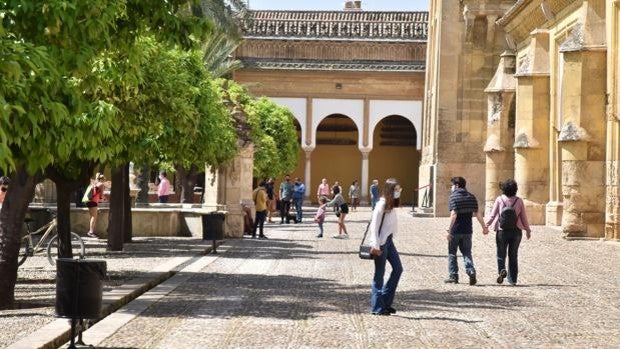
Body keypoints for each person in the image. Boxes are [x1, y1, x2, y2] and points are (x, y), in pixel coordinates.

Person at [486, 179, 532, 286]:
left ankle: (502, 270)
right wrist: (528, 230)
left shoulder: (499, 199)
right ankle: (513, 279)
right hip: (516, 231)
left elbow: (493, 215)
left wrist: (486, 225)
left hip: (502, 230)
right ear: (515, 189)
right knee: (513, 255)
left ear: (504, 189)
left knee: (501, 254)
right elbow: (523, 217)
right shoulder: (519, 201)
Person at [368, 178, 403, 316]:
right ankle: (377, 307)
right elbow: (374, 226)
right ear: (390, 190)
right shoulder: (381, 205)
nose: (398, 192)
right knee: (379, 275)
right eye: (396, 190)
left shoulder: (391, 205)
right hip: (381, 243)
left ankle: (385, 302)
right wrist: (375, 244)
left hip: (389, 241)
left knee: (398, 269)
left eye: (399, 190)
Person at [445, 176, 488, 285]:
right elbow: (478, 214)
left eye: (452, 185)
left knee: (452, 253)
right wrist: (484, 227)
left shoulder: (453, 197)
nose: (451, 188)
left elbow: (454, 214)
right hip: (468, 230)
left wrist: (448, 230)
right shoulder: (471, 197)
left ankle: (453, 276)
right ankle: (471, 270)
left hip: (456, 230)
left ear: (457, 185)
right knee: (467, 252)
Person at [86, 173, 107, 238]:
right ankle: (91, 232)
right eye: (104, 180)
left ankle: (90, 231)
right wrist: (105, 199)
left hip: (88, 201)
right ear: (102, 179)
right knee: (94, 217)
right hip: (93, 202)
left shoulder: (95, 183)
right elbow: (102, 195)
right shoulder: (101, 184)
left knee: (92, 216)